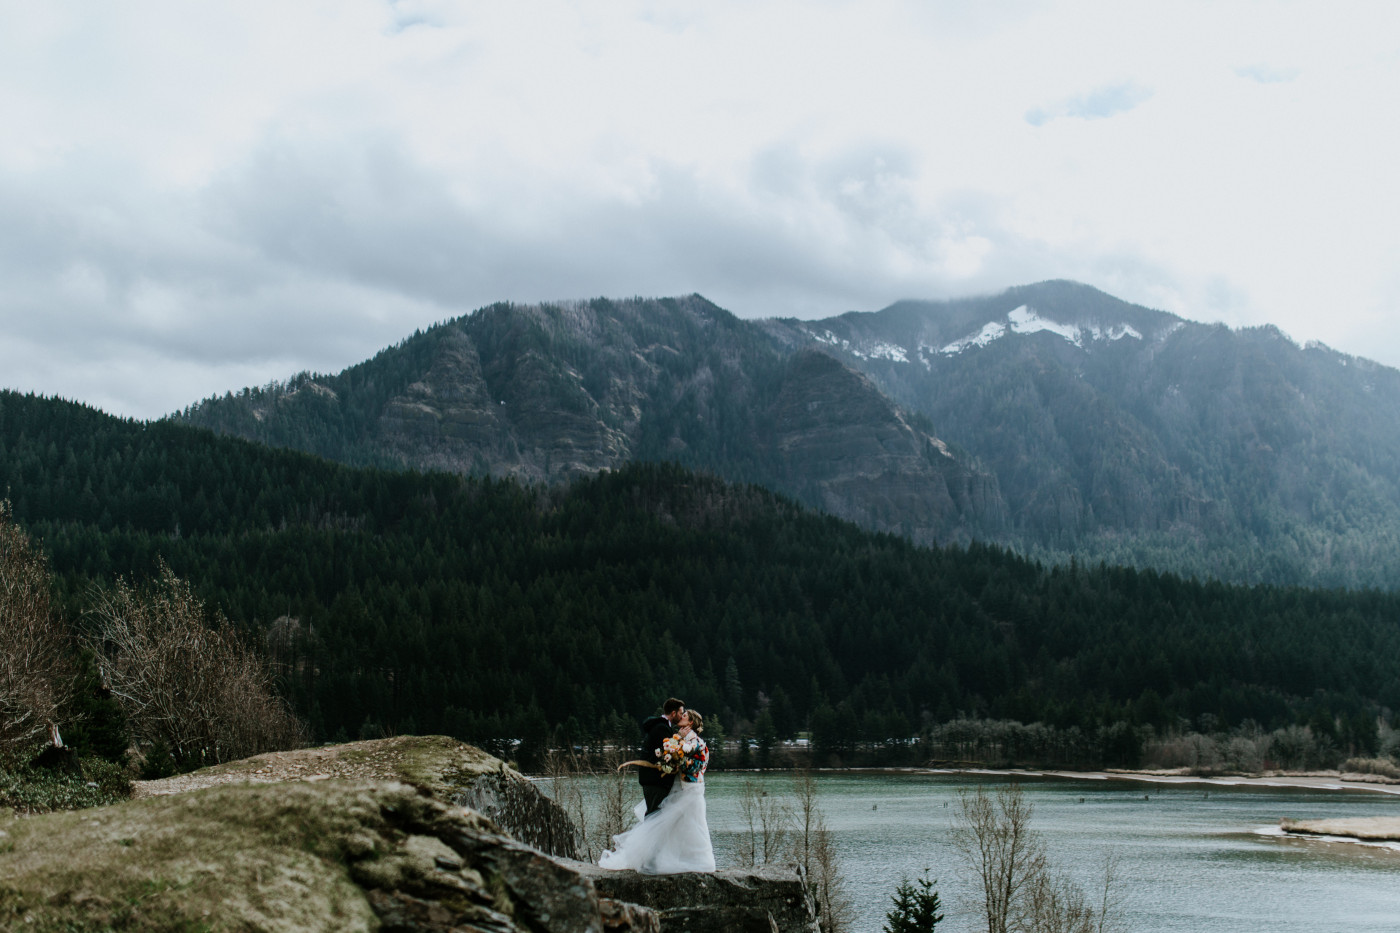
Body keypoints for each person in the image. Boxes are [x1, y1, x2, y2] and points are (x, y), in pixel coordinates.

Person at [599, 709, 715, 874]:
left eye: (684, 716)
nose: (680, 717)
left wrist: (680, 759)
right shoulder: (680, 739)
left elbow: (698, 766)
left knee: (693, 825)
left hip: (691, 790)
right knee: (674, 825)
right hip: (679, 789)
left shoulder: (698, 742)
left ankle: (696, 861)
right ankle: (667, 859)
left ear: (690, 723)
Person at [638, 698, 685, 816]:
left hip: (653, 780)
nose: (681, 716)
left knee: (655, 814)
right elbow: (667, 752)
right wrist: (679, 737)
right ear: (673, 713)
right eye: (680, 713)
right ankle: (648, 835)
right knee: (654, 815)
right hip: (655, 780)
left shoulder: (661, 726)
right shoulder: (661, 728)